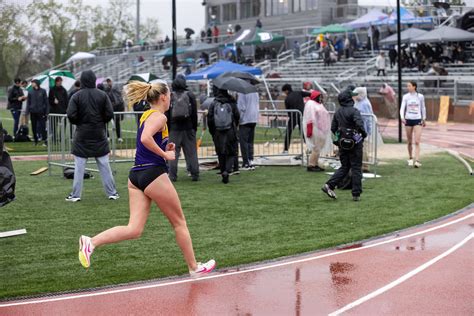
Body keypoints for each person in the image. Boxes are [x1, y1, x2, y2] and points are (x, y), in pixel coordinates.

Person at [77, 80, 216, 278]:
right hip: (153, 174)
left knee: (134, 229)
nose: (171, 101)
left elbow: (148, 140)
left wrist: (164, 148)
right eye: (169, 97)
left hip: (136, 177)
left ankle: (91, 242)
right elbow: (145, 139)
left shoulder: (147, 115)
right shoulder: (159, 117)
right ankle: (194, 267)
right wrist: (165, 155)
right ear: (164, 97)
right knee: (179, 222)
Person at [66, 70, 119, 202]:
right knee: (105, 166)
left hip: (82, 134)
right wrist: (100, 121)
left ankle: (75, 195)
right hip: (99, 133)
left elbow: (71, 115)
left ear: (82, 80)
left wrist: (80, 122)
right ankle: (112, 193)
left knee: (79, 168)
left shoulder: (76, 96)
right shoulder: (102, 95)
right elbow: (109, 113)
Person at [322, 88, 367, 201]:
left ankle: (329, 185)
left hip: (342, 143)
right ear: (348, 99)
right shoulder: (354, 111)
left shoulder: (338, 112)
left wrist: (340, 138)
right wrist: (362, 135)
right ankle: (356, 194)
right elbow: (360, 125)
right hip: (355, 143)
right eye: (352, 96)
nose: (354, 97)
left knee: (345, 167)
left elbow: (333, 128)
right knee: (356, 167)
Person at [166, 75, 199, 182]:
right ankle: (195, 174)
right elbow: (194, 113)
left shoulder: (170, 96)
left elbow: (167, 114)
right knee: (191, 152)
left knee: (173, 153)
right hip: (188, 128)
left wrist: (169, 128)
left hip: (174, 129)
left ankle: (172, 175)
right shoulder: (190, 95)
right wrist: (194, 127)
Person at [207, 86, 240, 184]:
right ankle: (227, 171)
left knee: (220, 152)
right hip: (230, 130)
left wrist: (212, 131)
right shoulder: (232, 102)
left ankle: (223, 171)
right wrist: (235, 125)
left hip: (218, 131)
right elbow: (237, 116)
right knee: (231, 152)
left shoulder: (214, 103)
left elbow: (210, 118)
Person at [400, 81, 426, 168]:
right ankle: (410, 158)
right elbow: (402, 107)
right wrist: (402, 117)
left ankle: (417, 160)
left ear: (414, 87)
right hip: (408, 120)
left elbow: (423, 107)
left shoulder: (420, 96)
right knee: (409, 141)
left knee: (417, 141)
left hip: (417, 119)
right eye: (407, 86)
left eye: (409, 86)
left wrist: (424, 118)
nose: (408, 87)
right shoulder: (405, 97)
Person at [303, 90, 330, 172]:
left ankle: (315, 163)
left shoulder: (318, 104)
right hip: (316, 129)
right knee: (316, 147)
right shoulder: (311, 104)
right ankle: (311, 165)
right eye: (320, 96)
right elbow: (310, 118)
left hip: (321, 129)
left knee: (319, 147)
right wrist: (310, 130)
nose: (321, 98)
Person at [281, 84, 310, 153]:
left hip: (293, 117)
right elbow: (310, 94)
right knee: (304, 133)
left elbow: (288, 111)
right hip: (302, 116)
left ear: (287, 91)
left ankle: (285, 150)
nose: (284, 93)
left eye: (284, 92)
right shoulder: (299, 93)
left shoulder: (287, 99)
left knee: (288, 132)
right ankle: (310, 148)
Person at [352, 87, 374, 172]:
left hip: (363, 130)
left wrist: (368, 131)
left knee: (363, 148)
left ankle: (365, 165)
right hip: (357, 130)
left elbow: (368, 118)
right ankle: (360, 164)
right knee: (358, 147)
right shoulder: (358, 102)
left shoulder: (365, 104)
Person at [237, 90, 259, 170]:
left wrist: (238, 119)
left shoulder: (242, 92)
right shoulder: (255, 92)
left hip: (245, 119)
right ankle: (251, 159)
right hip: (254, 118)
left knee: (244, 142)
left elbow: (241, 107)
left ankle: (246, 162)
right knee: (250, 141)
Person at [26, 79, 48, 146]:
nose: (32, 84)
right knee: (34, 127)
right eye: (31, 83)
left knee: (43, 127)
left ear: (37, 83)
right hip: (33, 112)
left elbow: (46, 102)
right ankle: (35, 141)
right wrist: (28, 111)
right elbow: (28, 102)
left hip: (41, 112)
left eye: (33, 82)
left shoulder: (43, 91)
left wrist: (46, 111)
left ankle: (45, 140)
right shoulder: (30, 92)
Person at [104, 78, 125, 142]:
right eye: (107, 81)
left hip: (116, 110)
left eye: (109, 81)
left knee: (117, 124)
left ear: (112, 81)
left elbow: (119, 100)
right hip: (108, 110)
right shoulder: (106, 90)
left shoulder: (115, 89)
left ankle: (119, 137)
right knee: (106, 124)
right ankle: (107, 137)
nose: (108, 82)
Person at [49, 77, 69, 142]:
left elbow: (66, 100)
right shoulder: (52, 90)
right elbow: (49, 100)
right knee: (54, 126)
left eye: (61, 81)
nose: (60, 82)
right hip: (54, 111)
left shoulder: (64, 90)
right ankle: (54, 138)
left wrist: (66, 109)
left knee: (63, 125)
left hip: (63, 111)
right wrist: (53, 102)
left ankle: (61, 138)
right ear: (56, 82)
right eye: (59, 81)